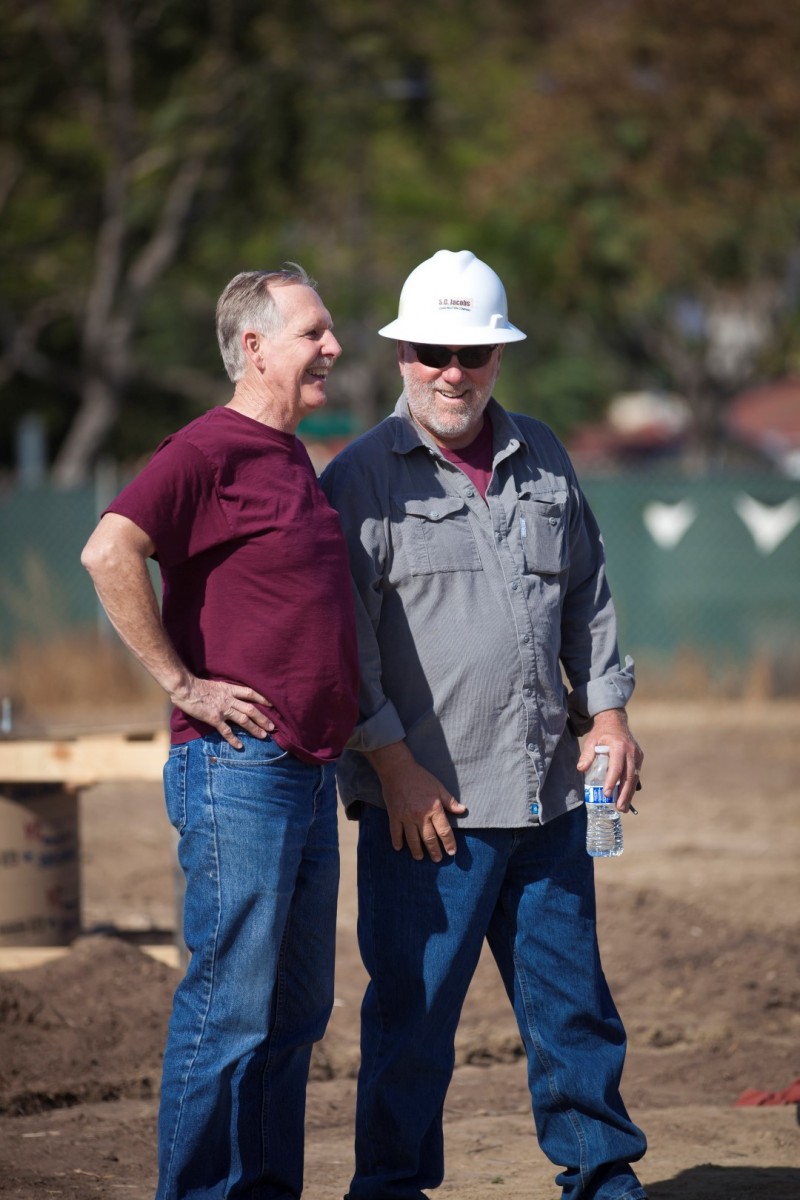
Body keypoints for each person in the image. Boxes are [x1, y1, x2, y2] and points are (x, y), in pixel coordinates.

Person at [320, 249, 648, 1200]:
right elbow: (344, 647)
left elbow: (587, 597)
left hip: (550, 798)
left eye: (473, 353)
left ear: (498, 356)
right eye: (434, 352)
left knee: (573, 1012)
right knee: (413, 1020)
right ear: (403, 356)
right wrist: (394, 767)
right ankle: (389, 1189)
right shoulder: (360, 479)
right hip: (426, 813)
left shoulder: (543, 454)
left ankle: (602, 1180)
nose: (453, 372)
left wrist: (609, 715)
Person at [81, 266, 360, 1200]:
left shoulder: (292, 456)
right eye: (313, 333)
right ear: (254, 347)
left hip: (309, 771)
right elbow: (108, 550)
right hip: (239, 769)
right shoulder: (207, 449)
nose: (332, 347)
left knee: (295, 1013)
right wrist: (184, 684)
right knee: (230, 1009)